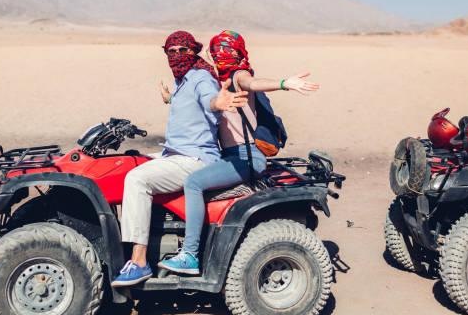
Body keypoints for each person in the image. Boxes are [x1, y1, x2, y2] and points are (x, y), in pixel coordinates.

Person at [158, 30, 320, 274]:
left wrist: (285, 84)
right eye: (216, 50)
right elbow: (204, 102)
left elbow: (252, 83)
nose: (221, 55)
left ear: (239, 53)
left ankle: (190, 254)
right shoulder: (215, 82)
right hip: (229, 157)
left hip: (246, 156)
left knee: (193, 183)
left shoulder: (237, 76)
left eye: (228, 50)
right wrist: (171, 98)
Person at [111, 30, 248, 287]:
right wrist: (170, 98)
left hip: (194, 158)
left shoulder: (201, 78)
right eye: (170, 52)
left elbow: (209, 99)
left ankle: (139, 261)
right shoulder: (184, 80)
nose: (176, 56)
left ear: (193, 52)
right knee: (129, 162)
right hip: (174, 153)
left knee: (137, 179)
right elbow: (188, 101)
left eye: (182, 51)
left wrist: (218, 102)